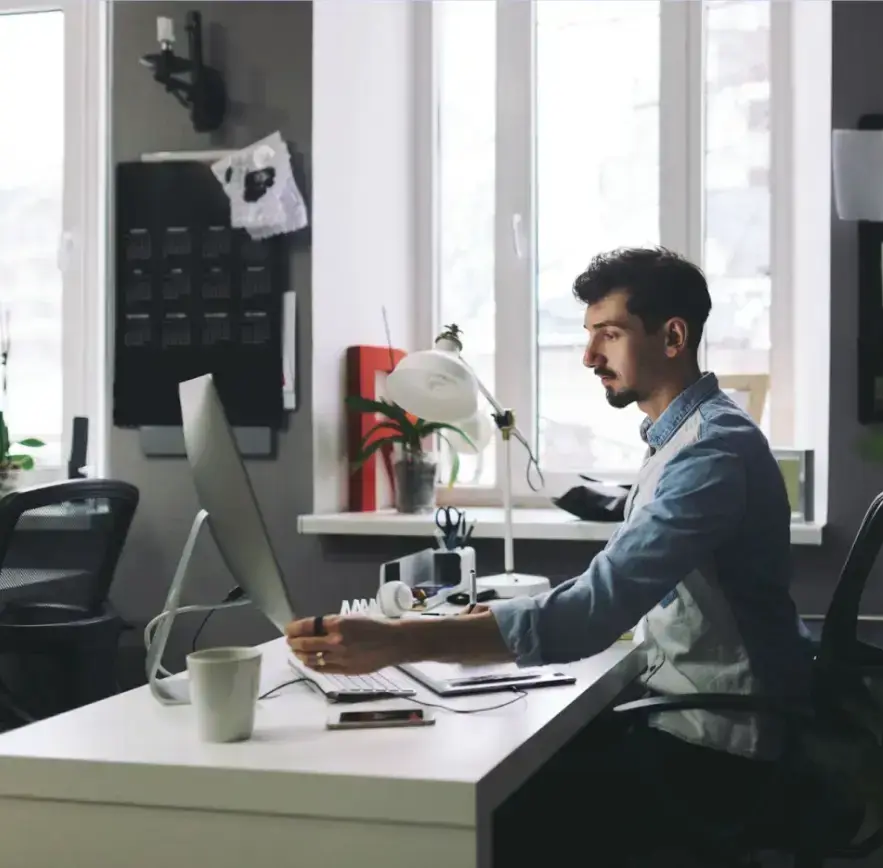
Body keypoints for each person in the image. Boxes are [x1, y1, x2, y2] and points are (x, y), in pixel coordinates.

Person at [286, 246, 812, 866]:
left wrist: (398, 641)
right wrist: (476, 625)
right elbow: (616, 587)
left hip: (718, 749)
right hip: (694, 717)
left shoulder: (709, 454)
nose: (588, 356)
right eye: (588, 335)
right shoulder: (685, 440)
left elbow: (593, 610)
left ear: (673, 337)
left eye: (609, 334)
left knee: (498, 810)